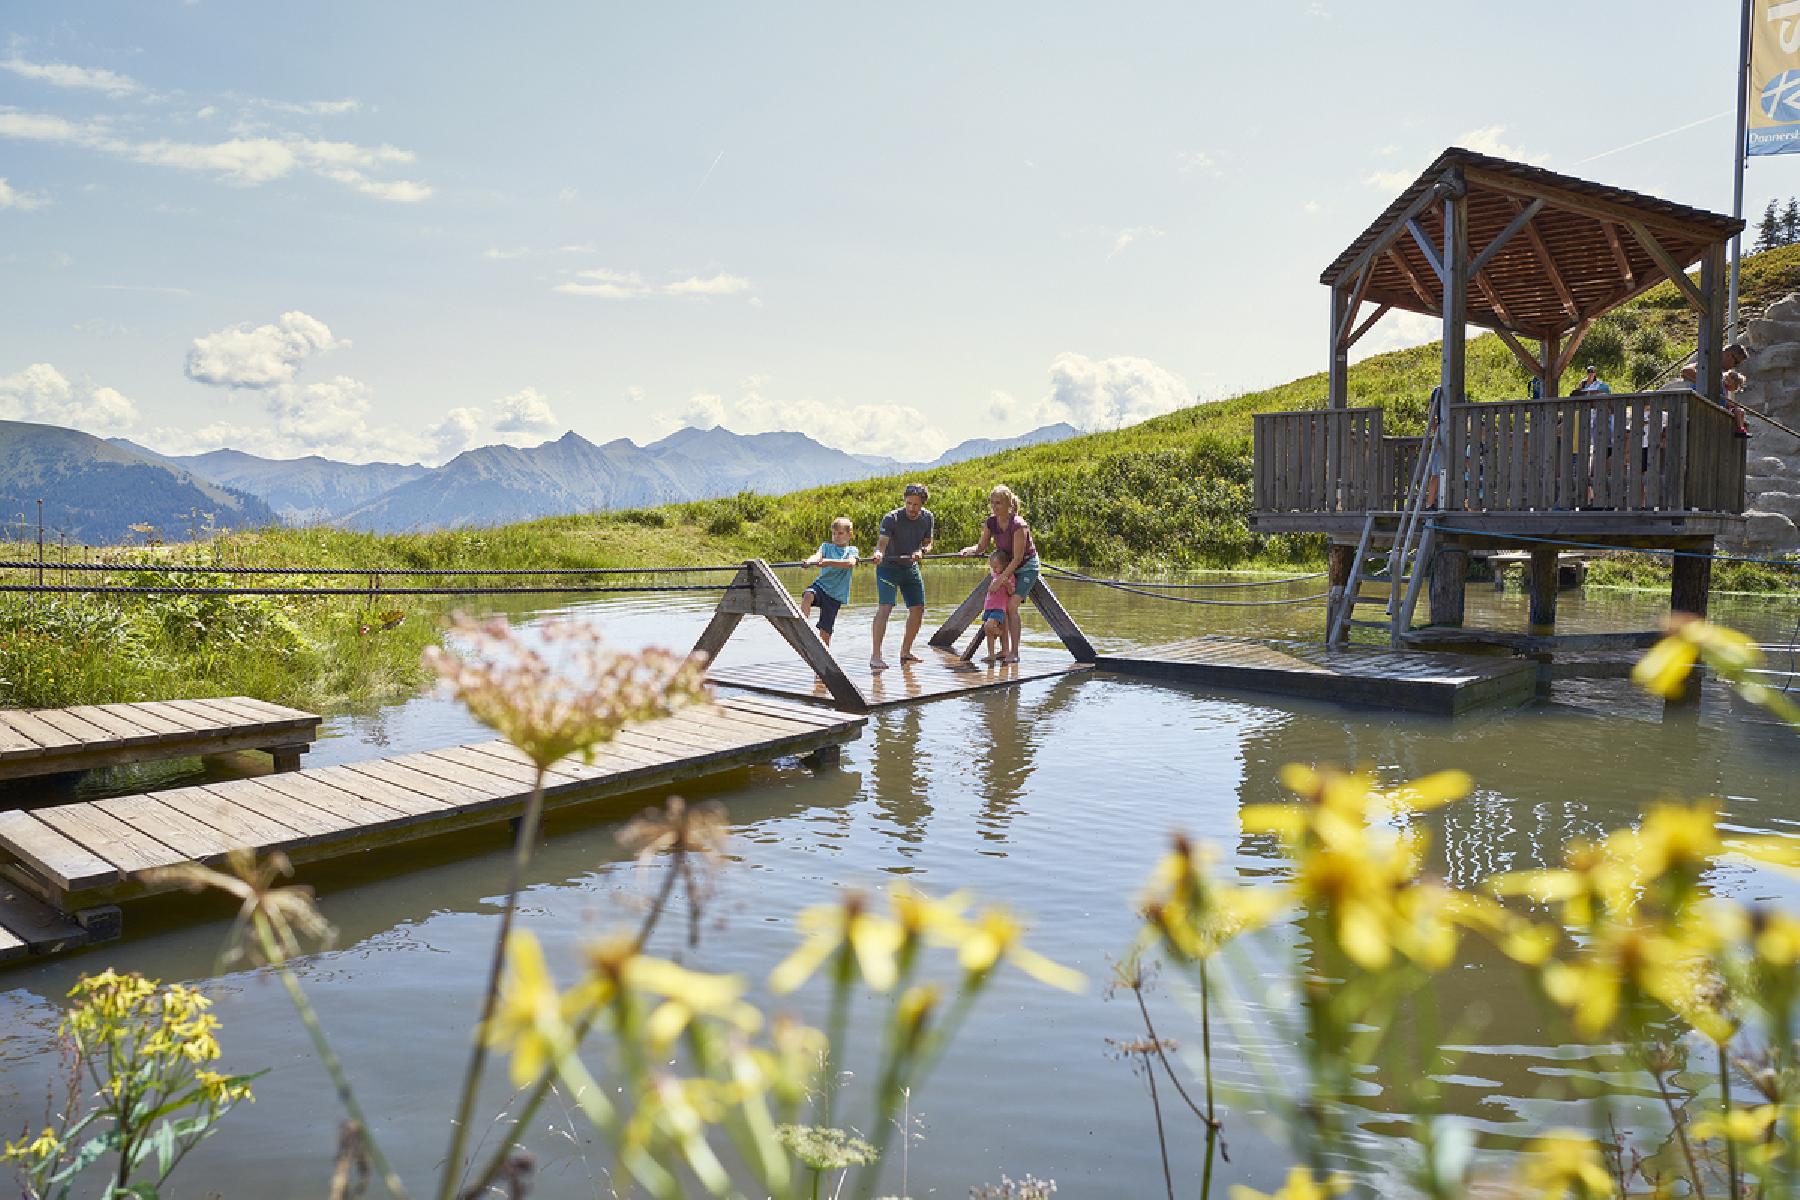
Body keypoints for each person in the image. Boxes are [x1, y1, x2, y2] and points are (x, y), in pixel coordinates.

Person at [958, 484, 1040, 665]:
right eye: (992, 503)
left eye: (999, 503)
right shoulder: (991, 522)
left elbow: (1018, 558)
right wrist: (970, 550)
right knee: (1000, 606)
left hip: (1026, 566)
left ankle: (1014, 652)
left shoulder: (1018, 525)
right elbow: (981, 546)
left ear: (1008, 504)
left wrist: (1000, 580)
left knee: (1011, 606)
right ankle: (1004, 650)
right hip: (1006, 565)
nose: (995, 507)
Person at [868, 482, 934, 670]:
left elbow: (928, 543)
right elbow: (881, 544)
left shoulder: (927, 518)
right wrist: (878, 554)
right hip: (888, 568)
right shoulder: (891, 518)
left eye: (916, 505)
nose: (912, 508)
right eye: (909, 503)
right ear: (905, 501)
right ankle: (875, 656)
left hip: (910, 567)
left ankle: (906, 652)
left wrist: (922, 551)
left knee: (918, 609)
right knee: (885, 608)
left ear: (922, 504)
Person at [799, 516, 857, 646]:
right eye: (834, 533)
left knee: (825, 632)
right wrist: (809, 561)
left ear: (849, 535)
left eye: (840, 533)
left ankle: (824, 655)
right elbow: (817, 556)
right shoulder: (826, 547)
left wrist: (829, 562)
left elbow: (850, 563)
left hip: (835, 596)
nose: (836, 536)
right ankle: (802, 627)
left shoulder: (852, 550)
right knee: (808, 595)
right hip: (821, 586)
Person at [979, 548, 1015, 662]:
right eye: (992, 567)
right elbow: (990, 589)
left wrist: (1007, 585)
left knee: (988, 626)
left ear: (1004, 565)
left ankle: (1000, 632)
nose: (994, 569)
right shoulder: (994, 575)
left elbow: (1011, 592)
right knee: (988, 632)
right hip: (988, 607)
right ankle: (991, 654)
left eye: (996, 567)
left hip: (999, 608)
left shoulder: (1009, 576)